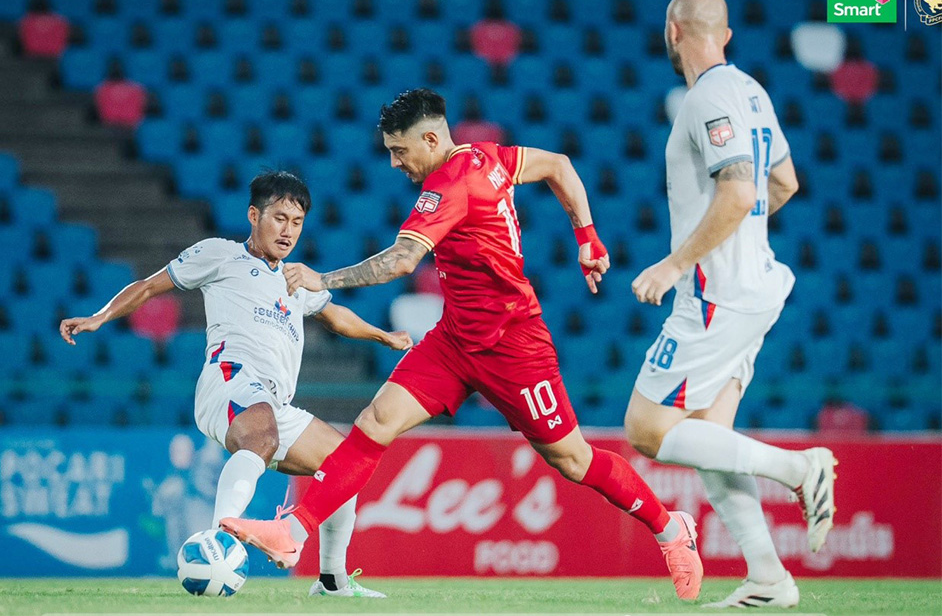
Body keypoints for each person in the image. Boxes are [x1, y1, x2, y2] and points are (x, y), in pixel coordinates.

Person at [220, 89, 705, 601]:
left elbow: (402, 261)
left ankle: (671, 529)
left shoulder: (450, 184)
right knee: (375, 422)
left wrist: (325, 279)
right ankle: (292, 533)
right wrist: (587, 236)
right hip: (455, 340)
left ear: (431, 138)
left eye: (400, 150)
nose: (394, 162)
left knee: (572, 459)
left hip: (515, 345)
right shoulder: (492, 158)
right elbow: (559, 165)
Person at [59, 171, 408, 598]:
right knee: (261, 433)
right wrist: (99, 317)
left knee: (344, 468)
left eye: (297, 222)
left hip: (275, 403)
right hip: (230, 378)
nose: (288, 230)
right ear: (253, 215)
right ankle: (219, 540)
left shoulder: (296, 280)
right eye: (279, 218)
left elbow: (336, 317)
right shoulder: (221, 254)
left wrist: (383, 336)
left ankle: (332, 582)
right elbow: (150, 286)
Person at [623, 0, 837, 609]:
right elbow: (784, 182)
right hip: (755, 283)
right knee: (708, 438)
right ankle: (769, 578)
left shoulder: (709, 96)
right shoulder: (750, 91)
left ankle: (801, 470)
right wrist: (742, 244)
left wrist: (674, 263)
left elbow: (741, 192)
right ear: (726, 33)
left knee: (646, 427)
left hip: (716, 295)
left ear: (673, 30)